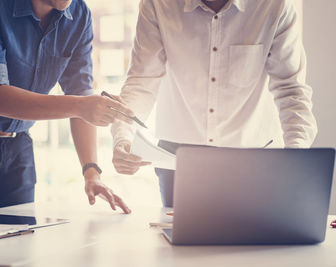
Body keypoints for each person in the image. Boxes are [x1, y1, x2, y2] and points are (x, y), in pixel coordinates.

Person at [0, 0, 134, 219]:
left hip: (18, 146)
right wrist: (81, 105)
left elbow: (81, 93)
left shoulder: (79, 14)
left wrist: (91, 172)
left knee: (18, 246)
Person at [111, 0, 317, 207]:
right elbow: (142, 82)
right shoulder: (158, 5)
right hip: (176, 160)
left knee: (254, 238)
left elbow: (292, 90)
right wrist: (123, 138)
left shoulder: (274, 6)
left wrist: (296, 156)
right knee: (180, 238)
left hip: (254, 157)